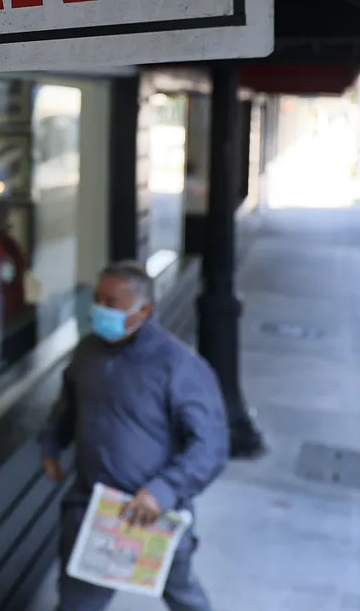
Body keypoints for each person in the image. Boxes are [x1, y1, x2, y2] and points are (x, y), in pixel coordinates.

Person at [39, 261, 229, 611]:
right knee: (76, 603)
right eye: (96, 300)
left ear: (143, 310)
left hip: (152, 514)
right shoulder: (87, 352)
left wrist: (163, 492)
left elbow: (211, 446)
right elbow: (68, 405)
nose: (99, 310)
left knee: (183, 597)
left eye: (111, 303)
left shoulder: (179, 367)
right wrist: (52, 444)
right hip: (94, 512)